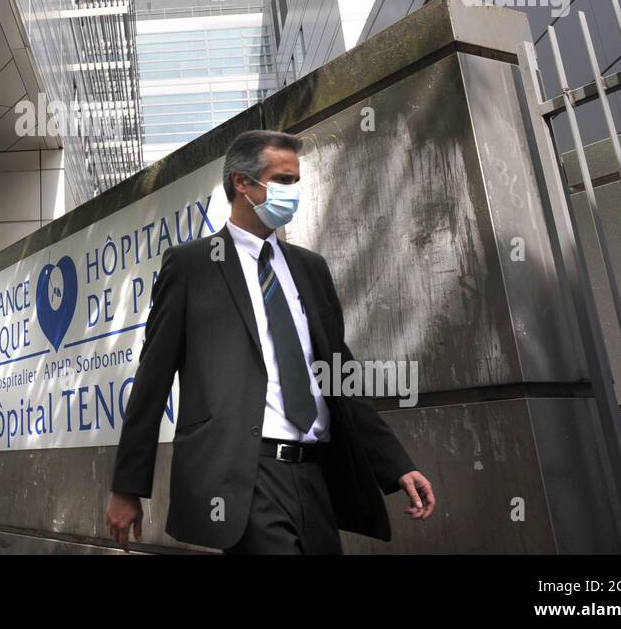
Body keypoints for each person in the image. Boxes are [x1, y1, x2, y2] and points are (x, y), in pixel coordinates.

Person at [106, 129, 436, 554]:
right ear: (242, 182)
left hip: (315, 473)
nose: (291, 192)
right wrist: (127, 486)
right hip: (245, 474)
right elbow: (151, 381)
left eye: (295, 181)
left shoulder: (310, 268)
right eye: (282, 180)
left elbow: (341, 376)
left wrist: (395, 465)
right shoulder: (192, 266)